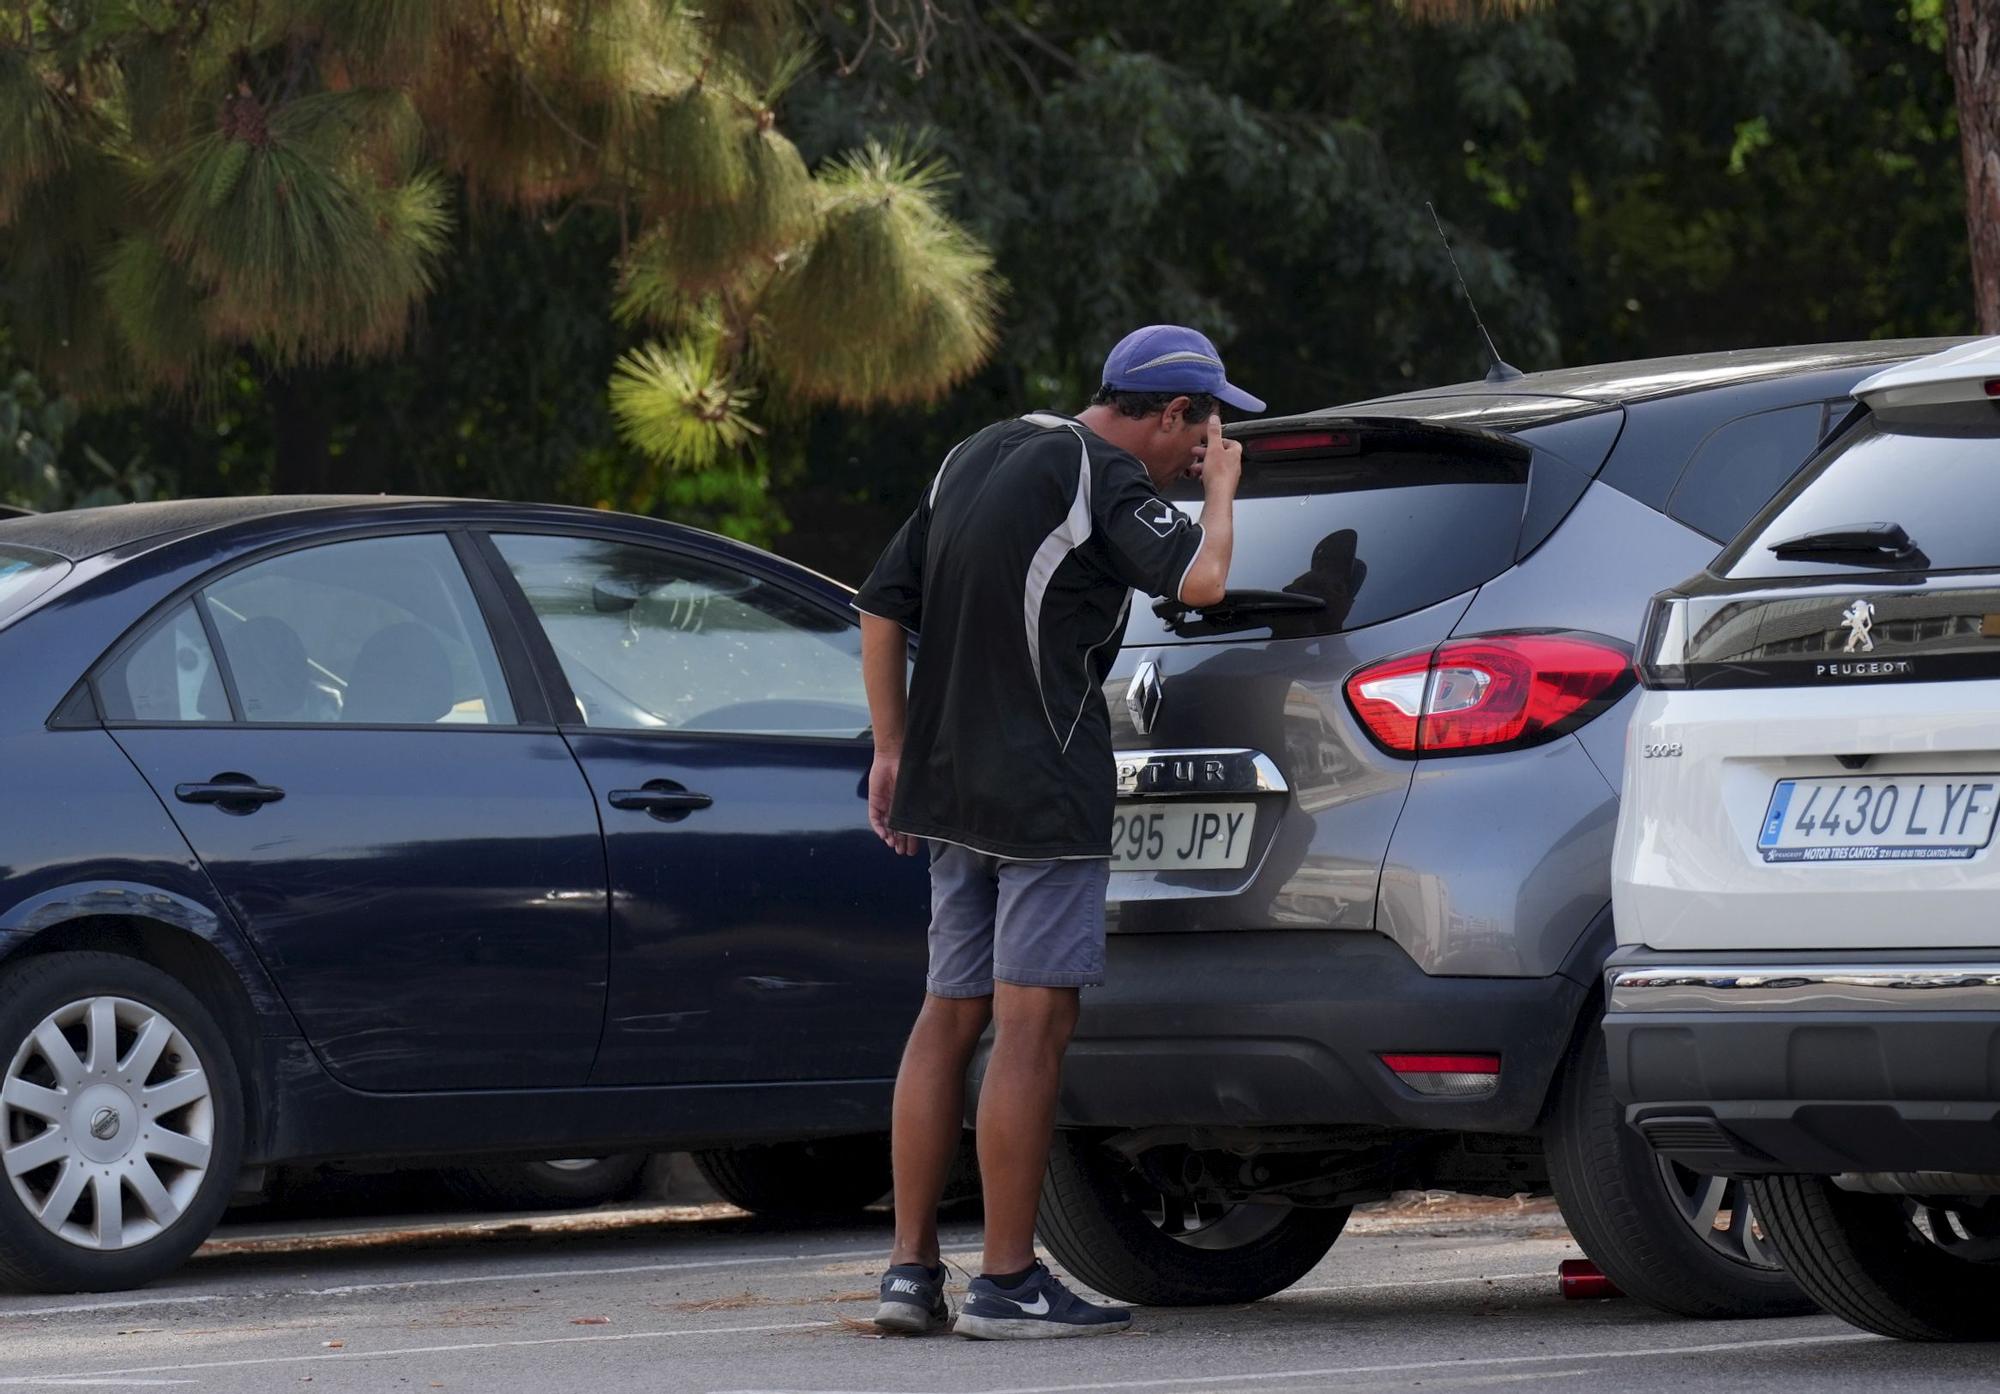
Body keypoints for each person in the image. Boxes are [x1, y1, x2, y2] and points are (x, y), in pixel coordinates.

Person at [853, 324, 1258, 1339]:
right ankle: (1005, 1280)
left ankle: (909, 1272)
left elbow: (878, 604)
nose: (1199, 447)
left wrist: (892, 748)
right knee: (1030, 1027)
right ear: (1170, 413)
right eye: (1201, 429)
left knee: (947, 1014)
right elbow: (1201, 582)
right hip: (1041, 790)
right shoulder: (1106, 474)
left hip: (946, 786)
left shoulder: (978, 449)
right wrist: (1219, 494)